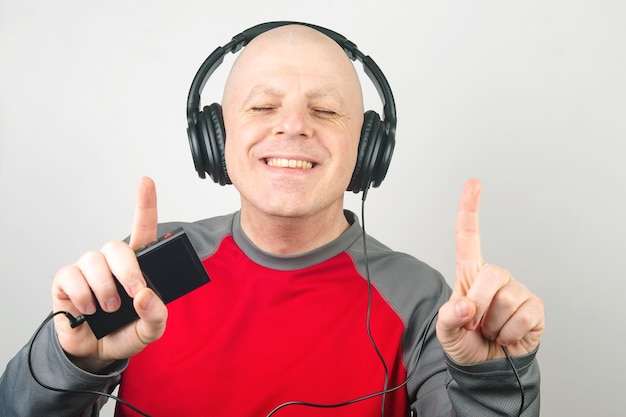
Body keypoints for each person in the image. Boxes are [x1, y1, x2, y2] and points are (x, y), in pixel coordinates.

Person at [0, 22, 544, 416]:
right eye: (261, 107)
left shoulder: (421, 298)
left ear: (367, 148)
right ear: (216, 139)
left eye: (326, 110)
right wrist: (70, 365)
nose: (293, 126)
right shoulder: (148, 272)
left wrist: (491, 382)